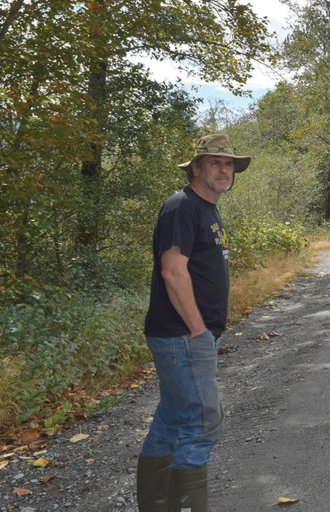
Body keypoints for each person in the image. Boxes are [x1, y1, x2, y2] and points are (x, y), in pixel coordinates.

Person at [136, 134, 250, 512]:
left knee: (172, 419)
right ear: (196, 168)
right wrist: (199, 330)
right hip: (183, 335)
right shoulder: (181, 207)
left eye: (228, 163)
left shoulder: (206, 209)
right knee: (203, 422)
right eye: (214, 162)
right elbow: (172, 273)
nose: (223, 169)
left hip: (189, 335)